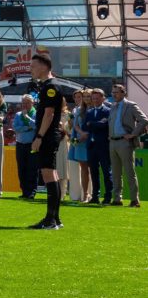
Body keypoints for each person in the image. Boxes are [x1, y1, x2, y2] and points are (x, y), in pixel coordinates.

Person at [29, 53, 67, 229]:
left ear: (44, 66)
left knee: (48, 173)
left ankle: (51, 220)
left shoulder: (50, 86)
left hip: (47, 136)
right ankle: (55, 219)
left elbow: (49, 114)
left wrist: (39, 137)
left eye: (34, 66)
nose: (31, 69)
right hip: (50, 135)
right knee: (52, 174)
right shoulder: (47, 86)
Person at [107, 84, 147, 207]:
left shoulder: (131, 105)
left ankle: (135, 200)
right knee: (116, 172)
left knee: (130, 172)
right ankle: (117, 199)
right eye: (113, 92)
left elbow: (144, 120)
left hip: (125, 142)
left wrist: (133, 134)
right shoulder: (113, 107)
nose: (114, 94)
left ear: (124, 93)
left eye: (117, 92)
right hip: (113, 142)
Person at [84, 88, 113, 204]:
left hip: (103, 146)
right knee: (94, 172)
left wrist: (92, 124)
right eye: (93, 98)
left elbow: (105, 125)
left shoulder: (108, 111)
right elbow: (85, 127)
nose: (95, 100)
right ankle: (95, 196)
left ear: (103, 98)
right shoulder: (89, 112)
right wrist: (96, 124)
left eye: (97, 98)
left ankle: (108, 196)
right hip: (91, 146)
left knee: (106, 172)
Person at [12, 94, 39, 199]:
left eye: (27, 102)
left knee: (32, 168)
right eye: (24, 102)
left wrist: (27, 118)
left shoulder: (36, 114)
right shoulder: (18, 115)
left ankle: (32, 191)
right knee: (21, 168)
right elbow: (16, 128)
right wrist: (27, 128)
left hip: (32, 145)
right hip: (20, 144)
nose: (25, 105)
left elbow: (36, 126)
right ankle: (24, 191)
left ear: (32, 103)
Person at [67, 89, 91, 202]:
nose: (81, 99)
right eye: (76, 97)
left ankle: (91, 194)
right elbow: (74, 126)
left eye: (85, 96)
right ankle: (82, 195)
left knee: (92, 169)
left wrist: (85, 134)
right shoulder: (77, 110)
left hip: (91, 141)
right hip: (78, 141)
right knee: (82, 168)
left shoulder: (95, 108)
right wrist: (80, 134)